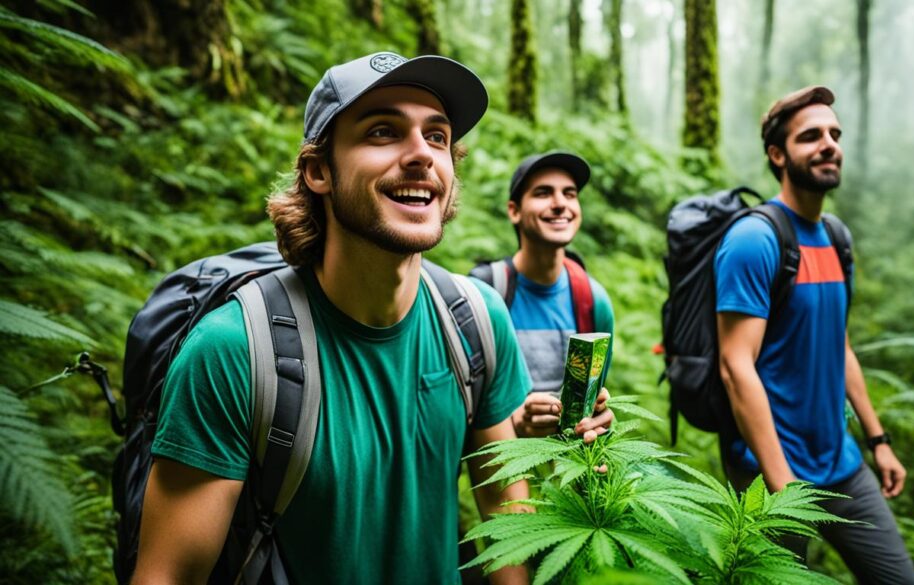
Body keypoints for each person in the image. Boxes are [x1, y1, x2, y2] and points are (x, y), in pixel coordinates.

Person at [131, 52, 606, 585]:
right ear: (318, 172)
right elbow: (166, 575)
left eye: (438, 136)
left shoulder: (475, 321)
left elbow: (507, 524)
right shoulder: (235, 350)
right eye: (383, 132)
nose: (422, 155)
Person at [715, 86, 914, 584]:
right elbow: (735, 365)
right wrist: (782, 483)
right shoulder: (755, 239)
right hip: (771, 471)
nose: (829, 144)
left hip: (842, 462)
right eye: (811, 136)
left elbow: (839, 345)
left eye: (834, 133)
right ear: (777, 154)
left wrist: (878, 439)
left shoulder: (836, 237)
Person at [472, 152, 615, 438]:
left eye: (570, 194)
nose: (560, 203)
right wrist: (516, 422)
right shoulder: (484, 296)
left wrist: (601, 422)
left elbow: (596, 401)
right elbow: (467, 406)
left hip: (569, 471)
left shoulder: (592, 300)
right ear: (514, 211)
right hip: (502, 470)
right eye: (543, 193)